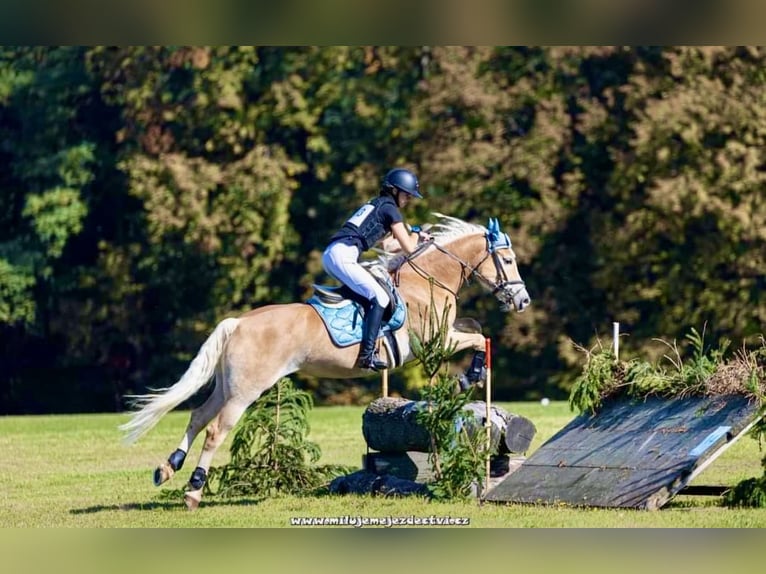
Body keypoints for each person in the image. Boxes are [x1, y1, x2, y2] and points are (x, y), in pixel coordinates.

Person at [322, 167, 430, 371]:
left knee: (369, 294)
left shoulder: (377, 205)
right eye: (407, 195)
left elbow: (389, 246)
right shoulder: (390, 209)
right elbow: (408, 247)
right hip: (343, 255)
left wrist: (416, 238)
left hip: (335, 253)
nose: (408, 200)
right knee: (380, 297)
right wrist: (417, 232)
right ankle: (366, 355)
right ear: (395, 191)